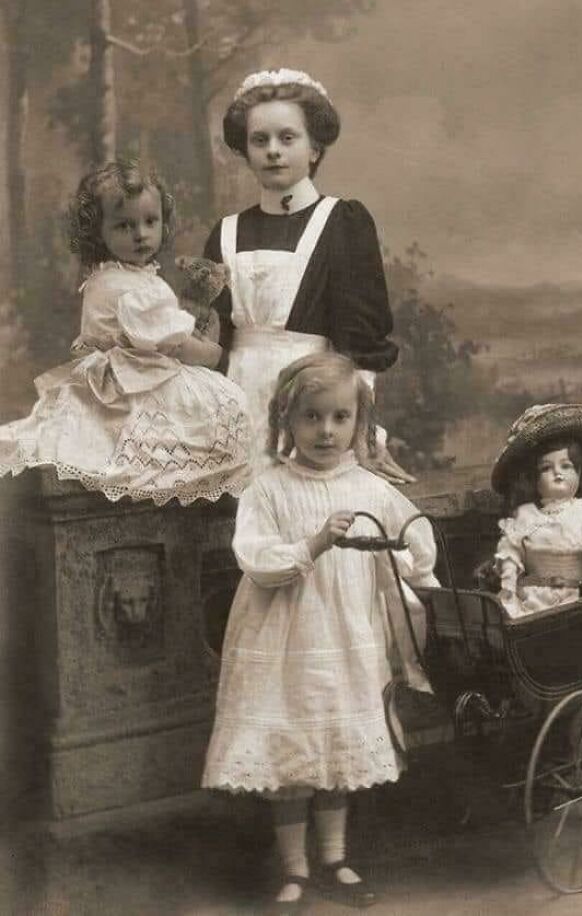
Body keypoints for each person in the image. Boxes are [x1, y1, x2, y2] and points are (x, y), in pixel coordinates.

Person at [202, 352, 439, 913]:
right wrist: (313, 544)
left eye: (340, 417)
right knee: (292, 751)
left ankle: (335, 857)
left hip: (347, 635)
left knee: (334, 750)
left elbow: (412, 537)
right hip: (285, 639)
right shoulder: (269, 489)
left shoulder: (370, 488)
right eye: (311, 418)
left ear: (360, 422)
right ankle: (295, 870)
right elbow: (257, 559)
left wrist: (414, 575)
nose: (326, 431)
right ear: (287, 421)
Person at [203, 67, 412, 482]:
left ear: (314, 149)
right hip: (234, 410)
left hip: (314, 408)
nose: (273, 151)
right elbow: (214, 340)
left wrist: (364, 428)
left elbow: (358, 344)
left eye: (287, 138)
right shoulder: (225, 233)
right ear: (245, 152)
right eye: (259, 141)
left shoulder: (341, 224)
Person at [0, 160, 250, 505]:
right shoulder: (135, 289)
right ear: (97, 231)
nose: (141, 234)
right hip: (137, 381)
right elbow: (175, 346)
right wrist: (212, 353)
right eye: (124, 226)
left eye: (150, 222)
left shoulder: (104, 278)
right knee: (227, 407)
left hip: (115, 376)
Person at [490, 403, 582, 619]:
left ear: (581, 473)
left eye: (567, 466)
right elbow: (510, 552)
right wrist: (508, 582)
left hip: (579, 596)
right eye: (546, 468)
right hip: (533, 600)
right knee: (512, 617)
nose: (558, 474)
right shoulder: (525, 516)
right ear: (532, 479)